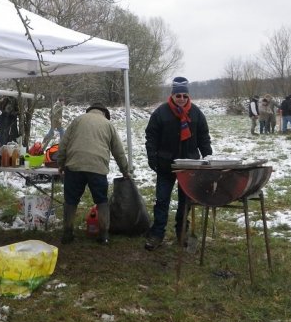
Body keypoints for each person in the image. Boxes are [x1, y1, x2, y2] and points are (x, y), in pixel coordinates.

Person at [144, 77, 212, 251]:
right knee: (162, 200)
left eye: (184, 95)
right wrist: (152, 157)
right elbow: (151, 137)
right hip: (166, 165)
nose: (181, 98)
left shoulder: (196, 113)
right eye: (178, 95)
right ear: (172, 95)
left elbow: (203, 137)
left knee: (185, 201)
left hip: (189, 165)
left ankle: (182, 232)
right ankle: (157, 234)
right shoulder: (161, 113)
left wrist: (208, 156)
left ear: (188, 96)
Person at [57, 103, 130, 245]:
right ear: (105, 113)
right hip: (97, 167)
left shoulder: (78, 120)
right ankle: (104, 235)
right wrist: (125, 170)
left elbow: (63, 143)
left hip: (74, 165)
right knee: (102, 201)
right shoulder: (108, 124)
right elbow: (118, 151)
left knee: (70, 200)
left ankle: (67, 233)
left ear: (89, 111)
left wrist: (60, 163)